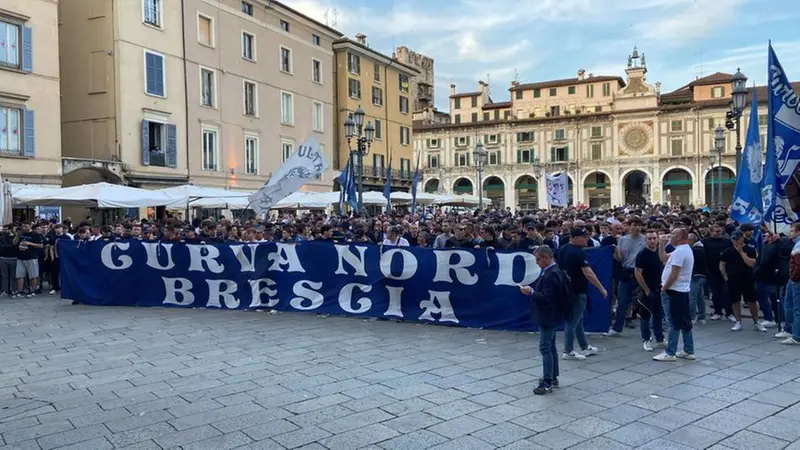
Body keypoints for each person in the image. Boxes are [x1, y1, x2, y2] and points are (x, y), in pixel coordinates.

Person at [520, 246, 566, 395]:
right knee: (551, 346)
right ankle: (553, 377)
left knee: (545, 347)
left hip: (547, 315)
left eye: (538, 260)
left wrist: (531, 292)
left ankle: (547, 382)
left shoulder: (550, 274)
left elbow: (546, 297)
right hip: (552, 314)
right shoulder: (555, 271)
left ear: (546, 257)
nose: (537, 263)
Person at [558, 227, 607, 361]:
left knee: (577, 320)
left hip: (566, 289)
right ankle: (568, 351)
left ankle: (584, 347)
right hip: (577, 290)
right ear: (574, 238)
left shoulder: (563, 249)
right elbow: (589, 273)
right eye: (583, 237)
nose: (587, 239)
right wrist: (601, 288)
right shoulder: (579, 253)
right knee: (572, 321)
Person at [653, 227, 695, 362]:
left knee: (673, 322)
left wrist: (664, 288)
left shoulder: (680, 252)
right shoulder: (683, 250)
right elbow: (663, 258)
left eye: (673, 234)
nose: (670, 236)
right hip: (680, 290)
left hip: (674, 291)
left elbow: (674, 273)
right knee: (683, 321)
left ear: (679, 237)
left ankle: (670, 352)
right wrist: (661, 244)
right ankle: (688, 350)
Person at [720, 231, 766, 332]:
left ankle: (756, 321)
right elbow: (722, 263)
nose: (735, 241)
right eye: (733, 239)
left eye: (736, 239)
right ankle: (738, 322)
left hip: (747, 278)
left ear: (741, 238)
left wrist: (741, 252)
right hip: (733, 279)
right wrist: (725, 276)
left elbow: (751, 263)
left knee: (751, 301)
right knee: (735, 300)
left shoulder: (750, 250)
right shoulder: (728, 251)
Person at [608, 217, 646, 336]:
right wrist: (615, 252)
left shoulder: (645, 240)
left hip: (641, 272)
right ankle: (617, 328)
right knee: (622, 301)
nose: (637, 228)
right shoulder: (622, 240)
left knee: (645, 300)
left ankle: (652, 327)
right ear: (629, 226)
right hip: (626, 272)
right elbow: (620, 258)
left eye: (640, 225)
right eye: (634, 225)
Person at [634, 230, 664, 351]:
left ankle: (660, 338)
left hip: (660, 287)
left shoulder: (660, 252)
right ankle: (646, 339)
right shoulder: (642, 254)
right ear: (645, 240)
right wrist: (646, 289)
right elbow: (637, 272)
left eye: (654, 238)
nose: (652, 241)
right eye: (650, 239)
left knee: (658, 314)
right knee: (645, 315)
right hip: (647, 289)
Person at [702, 224, 734, 322]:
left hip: (725, 270)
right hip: (712, 271)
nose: (718, 233)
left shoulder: (726, 241)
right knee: (716, 292)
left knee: (727, 292)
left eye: (719, 231)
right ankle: (717, 311)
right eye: (716, 231)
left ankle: (729, 313)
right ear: (711, 232)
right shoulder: (705, 242)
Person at [755, 231, 781, 329]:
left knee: (763, 298)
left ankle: (768, 318)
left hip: (765, 276)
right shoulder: (776, 247)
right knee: (775, 299)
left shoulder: (769, 248)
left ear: (771, 237)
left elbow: (764, 262)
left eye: (766, 236)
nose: (764, 237)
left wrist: (757, 272)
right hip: (773, 276)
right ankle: (779, 319)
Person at [688, 233, 708, 324]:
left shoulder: (695, 250)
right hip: (701, 275)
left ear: (692, 240)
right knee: (699, 296)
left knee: (692, 296)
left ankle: (692, 316)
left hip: (696, 275)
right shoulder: (700, 248)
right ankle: (701, 316)